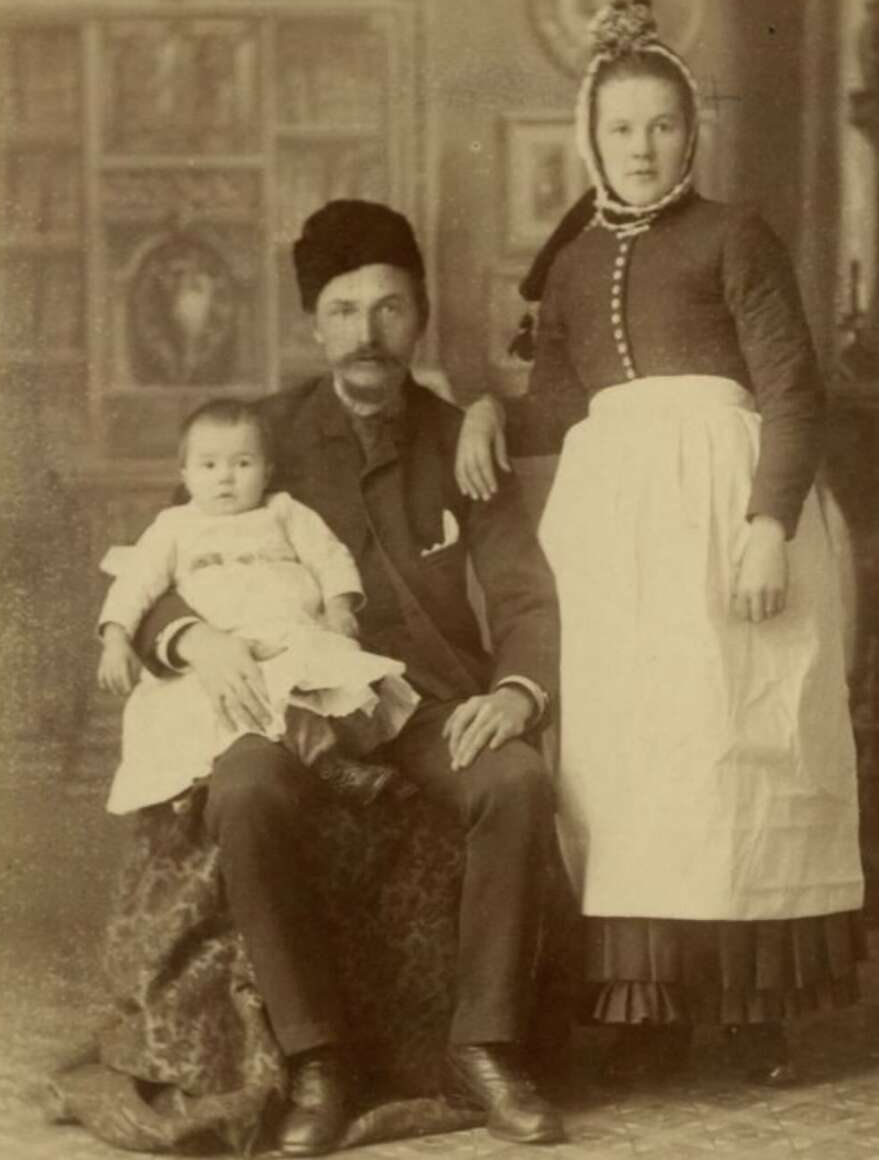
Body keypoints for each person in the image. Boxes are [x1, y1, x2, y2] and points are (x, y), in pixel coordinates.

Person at [456, 0, 865, 1084]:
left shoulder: (736, 237)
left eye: (662, 128)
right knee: (629, 758)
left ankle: (748, 1008)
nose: (640, 150)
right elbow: (553, 404)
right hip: (612, 528)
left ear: (694, 134)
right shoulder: (576, 267)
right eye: (620, 130)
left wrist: (768, 526)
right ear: (589, 138)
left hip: (724, 511)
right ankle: (645, 1000)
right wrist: (490, 410)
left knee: (730, 749)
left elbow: (791, 389)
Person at [132, 200, 565, 1155]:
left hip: (423, 707)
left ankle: (486, 1047)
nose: (366, 336)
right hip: (289, 700)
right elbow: (155, 567)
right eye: (341, 310)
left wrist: (515, 692)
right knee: (243, 789)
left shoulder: (462, 438)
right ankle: (315, 1060)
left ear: (420, 316)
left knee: (517, 780)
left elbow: (525, 596)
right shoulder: (264, 434)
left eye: (389, 308)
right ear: (312, 322)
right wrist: (191, 640)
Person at [96, 397, 419, 816]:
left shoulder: (284, 512)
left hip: (291, 635)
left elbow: (329, 556)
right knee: (204, 707)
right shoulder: (174, 527)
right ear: (185, 475)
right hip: (225, 649)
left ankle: (329, 763)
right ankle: (199, 778)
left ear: (266, 471)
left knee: (325, 679)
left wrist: (339, 606)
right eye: (209, 466)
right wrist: (116, 637)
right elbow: (136, 583)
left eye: (242, 464)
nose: (226, 478)